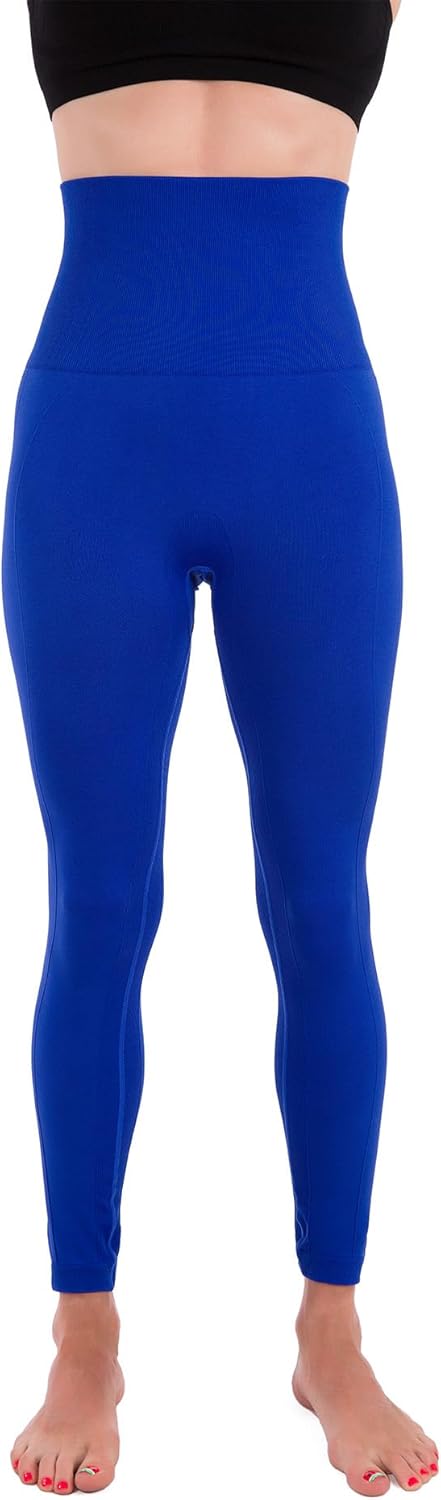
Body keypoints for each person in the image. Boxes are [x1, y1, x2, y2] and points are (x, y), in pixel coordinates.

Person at [2, 2, 438, 1495]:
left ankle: (331, 1331)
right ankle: (84, 1334)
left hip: (306, 443)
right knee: (98, 902)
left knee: (322, 899)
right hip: (95, 449)